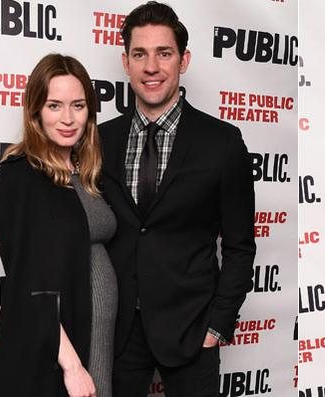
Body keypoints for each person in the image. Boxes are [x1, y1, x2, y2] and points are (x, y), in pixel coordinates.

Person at [98, 2, 256, 396]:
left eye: (163, 53)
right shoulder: (99, 141)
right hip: (117, 335)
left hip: (192, 331)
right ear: (126, 62)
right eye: (140, 54)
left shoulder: (222, 142)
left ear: (183, 60)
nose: (151, 67)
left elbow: (240, 246)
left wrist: (217, 327)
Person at [0, 53, 116, 397]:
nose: (68, 118)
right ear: (36, 112)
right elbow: (27, 285)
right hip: (52, 356)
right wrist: (72, 366)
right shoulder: (20, 176)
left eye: (78, 105)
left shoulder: (85, 172)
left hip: (97, 346)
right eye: (54, 105)